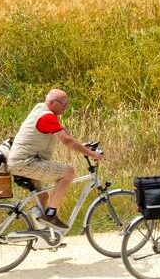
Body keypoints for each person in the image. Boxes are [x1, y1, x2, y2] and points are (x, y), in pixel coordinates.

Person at [8, 88, 103, 229]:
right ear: (52, 102)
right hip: (26, 162)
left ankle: (41, 233)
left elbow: (66, 137)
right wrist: (92, 154)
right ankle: (51, 215)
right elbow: (67, 141)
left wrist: (82, 146)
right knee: (68, 173)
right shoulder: (47, 117)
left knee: (43, 197)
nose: (65, 107)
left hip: (22, 161)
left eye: (67, 104)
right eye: (63, 104)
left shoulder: (40, 109)